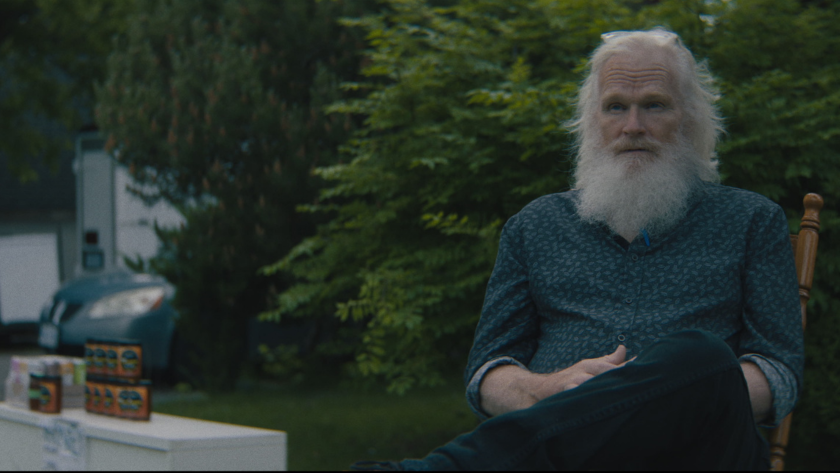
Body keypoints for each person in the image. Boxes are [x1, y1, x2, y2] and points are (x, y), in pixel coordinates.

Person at [353, 28, 803, 471]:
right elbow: (487, 372)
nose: (633, 126)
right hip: (569, 461)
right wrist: (546, 388)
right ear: (592, 121)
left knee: (703, 357)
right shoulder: (534, 226)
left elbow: (778, 372)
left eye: (654, 105)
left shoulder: (750, 220)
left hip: (699, 452)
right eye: (615, 107)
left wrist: (649, 396)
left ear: (689, 119)